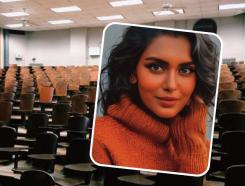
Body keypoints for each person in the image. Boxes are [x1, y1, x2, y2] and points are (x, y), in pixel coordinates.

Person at [91, 25, 219, 174]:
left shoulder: (201, 147)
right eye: (156, 67)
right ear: (132, 72)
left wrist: (191, 146)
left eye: (185, 70)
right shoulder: (100, 138)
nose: (171, 85)